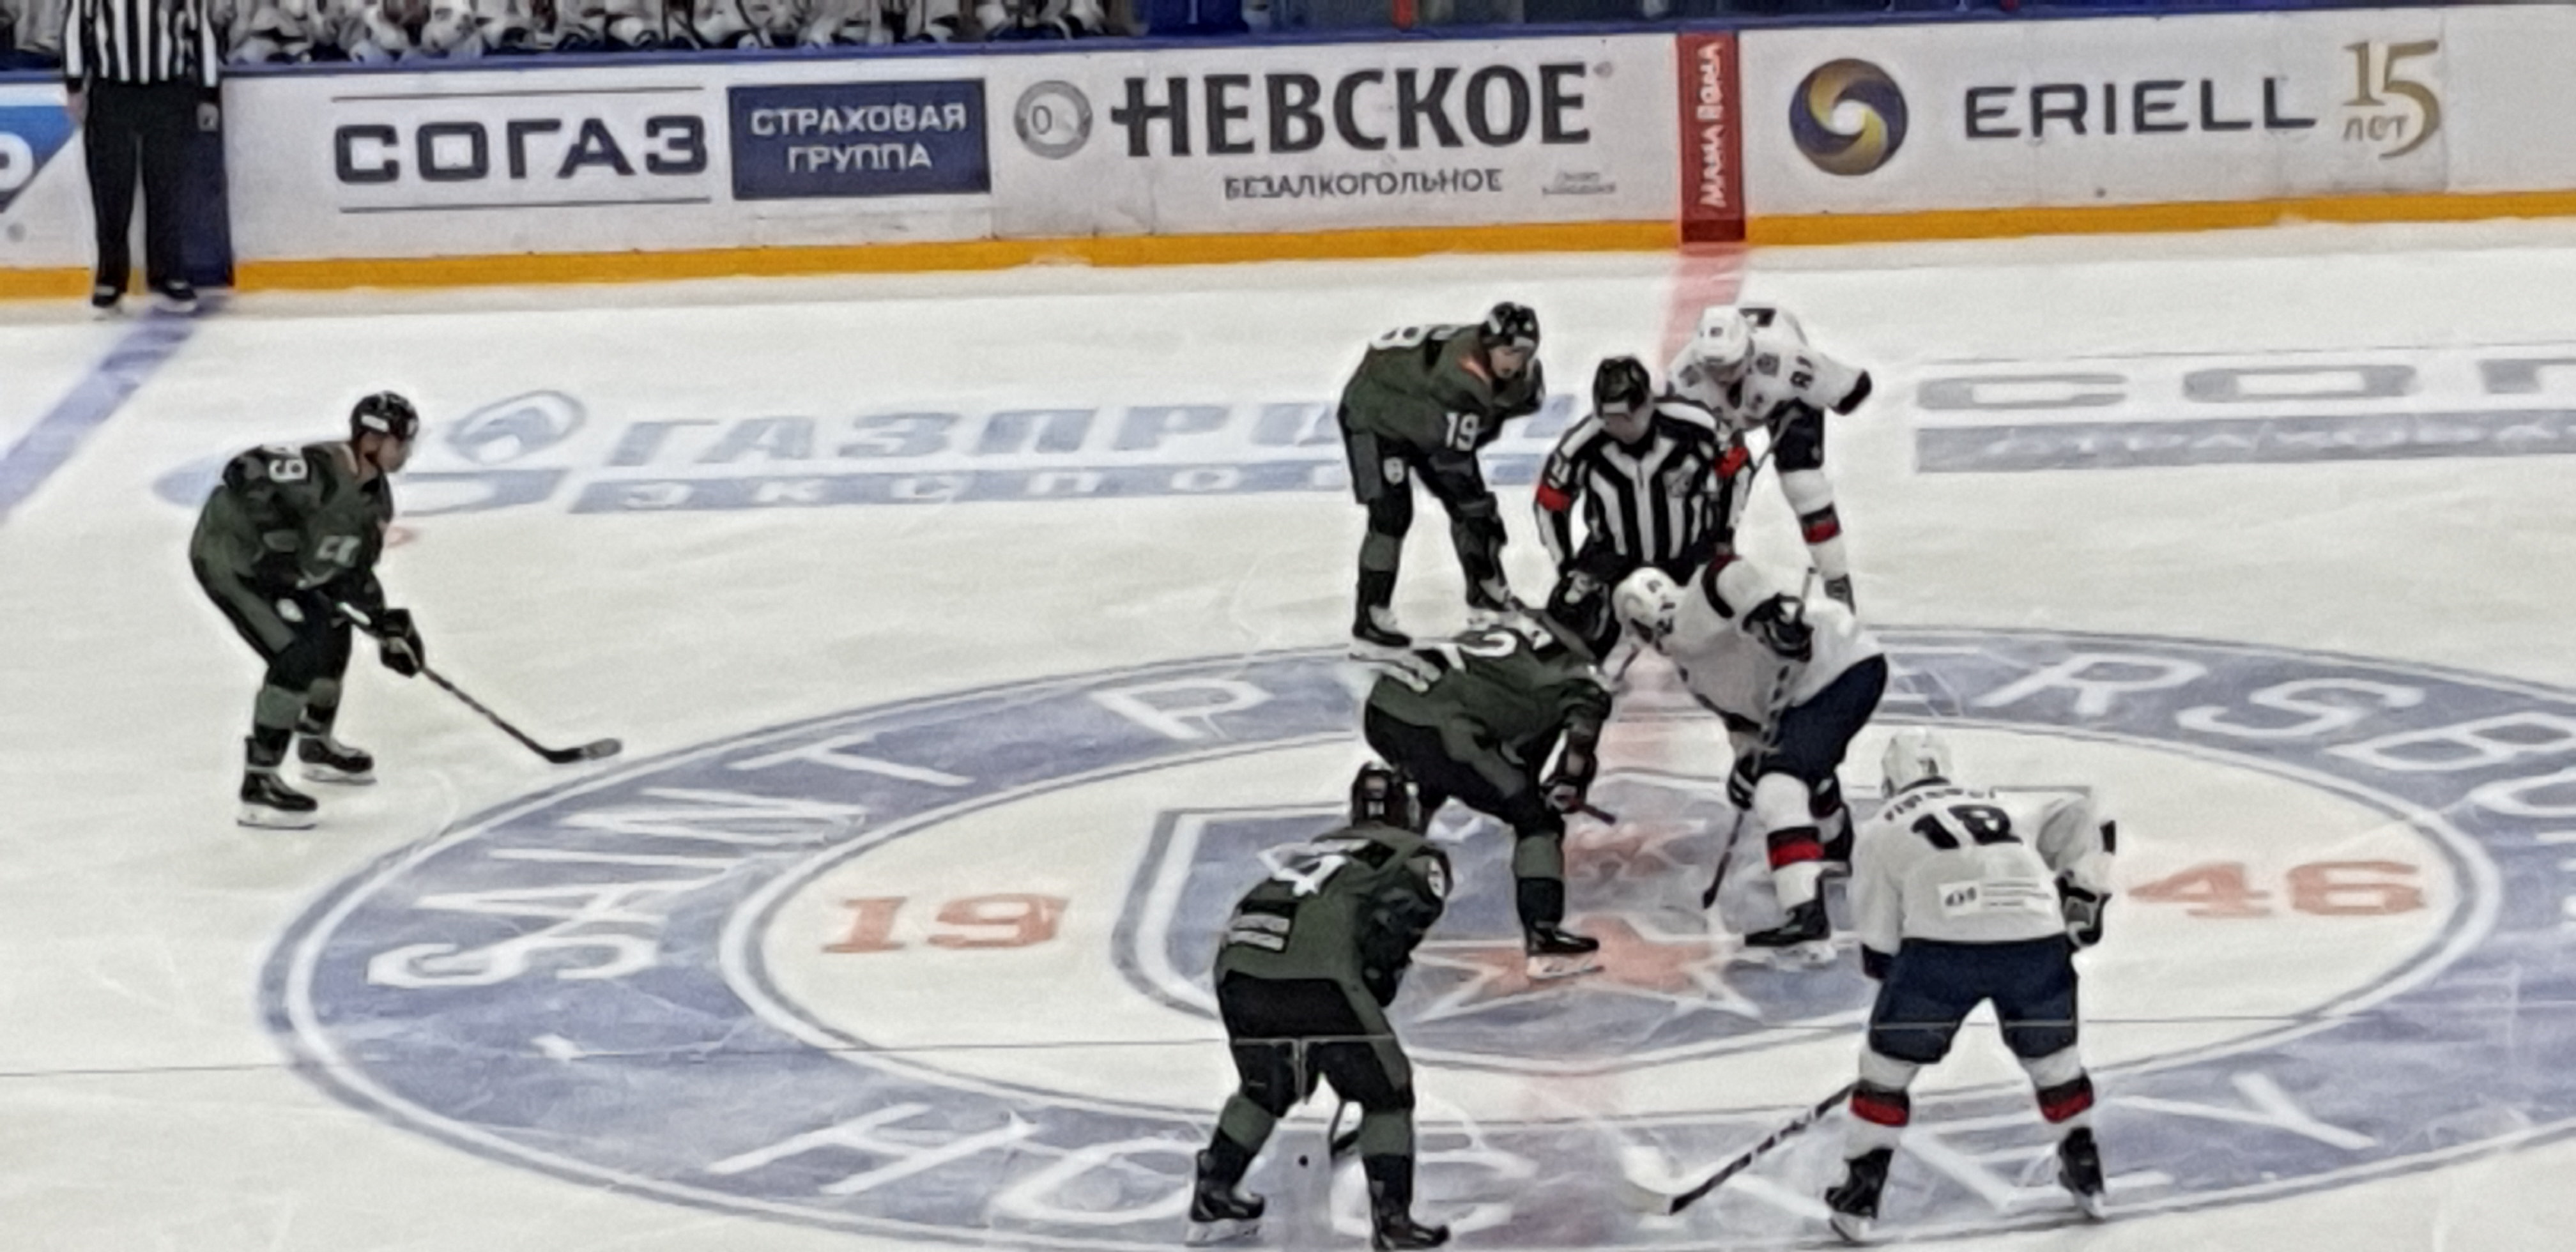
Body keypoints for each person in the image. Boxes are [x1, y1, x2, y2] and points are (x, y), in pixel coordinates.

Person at [1821, 727, 2117, 1241]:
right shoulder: (1999, 803)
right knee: (2056, 1064)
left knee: (1886, 1073)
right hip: (2037, 937)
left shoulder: (1880, 828)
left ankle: (1860, 1193)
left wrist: (1901, 1025)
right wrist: (2083, 897)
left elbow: (1879, 946)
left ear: (1889, 782)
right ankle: (2086, 1169)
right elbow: (2080, 810)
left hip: (1941, 950)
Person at [1190, 763, 1453, 1251]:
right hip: (1317, 972)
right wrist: (1377, 977)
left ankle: (1214, 1191)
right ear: (1407, 809)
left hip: (1240, 965)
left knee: (1265, 1087)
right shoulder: (1414, 851)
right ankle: (1392, 1221)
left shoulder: (1322, 844)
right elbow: (1402, 918)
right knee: (1388, 1092)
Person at [1612, 553, 1885, 959]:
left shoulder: (1687, 622)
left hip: (1839, 668)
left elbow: (1723, 571)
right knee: (1795, 764)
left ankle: (1805, 914)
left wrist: (1766, 612)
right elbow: (1746, 723)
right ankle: (1833, 846)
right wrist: (1746, 763)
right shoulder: (1692, 670)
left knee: (1779, 787)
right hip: (1828, 679)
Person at [188, 392, 427, 828]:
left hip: (283, 571)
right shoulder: (318, 468)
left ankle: (315, 744)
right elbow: (244, 469)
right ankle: (259, 783)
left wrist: (386, 625)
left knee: (334, 630)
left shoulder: (376, 500)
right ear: (371, 440)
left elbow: (351, 573)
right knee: (296, 653)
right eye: (400, 442)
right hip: (232, 561)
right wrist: (277, 541)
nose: (406, 452)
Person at [1357, 584, 1614, 979]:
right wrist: (1565, 785)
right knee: (1538, 822)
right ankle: (1544, 938)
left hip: (1384, 708)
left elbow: (1501, 711)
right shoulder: (1582, 676)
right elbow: (1574, 756)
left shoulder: (1511, 628)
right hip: (1446, 731)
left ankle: (1362, 900)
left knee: (1430, 785)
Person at [1337, 303, 1546, 652]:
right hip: (1373, 417)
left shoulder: (1512, 380)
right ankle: (1371, 614)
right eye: (1510, 352)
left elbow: (1474, 432)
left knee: (1473, 508)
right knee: (1392, 516)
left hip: (1426, 412)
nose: (1517, 362)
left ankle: (1486, 592)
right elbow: (1455, 456)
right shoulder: (1461, 379)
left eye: (1525, 352)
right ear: (1488, 347)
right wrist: (1473, 501)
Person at [1663, 304, 1872, 612]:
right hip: (1717, 424)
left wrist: (1804, 404)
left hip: (1785, 405)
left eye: (1730, 366)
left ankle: (1836, 579)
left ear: (1749, 352)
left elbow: (1854, 389)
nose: (1722, 377)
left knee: (1804, 484)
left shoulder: (1789, 360)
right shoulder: (1682, 379)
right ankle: (1714, 563)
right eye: (1713, 368)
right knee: (1703, 486)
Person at [1534, 355, 1746, 637]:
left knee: (1728, 618)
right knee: (1569, 614)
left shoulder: (1696, 427)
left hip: (1690, 556)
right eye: (1608, 418)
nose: (1617, 427)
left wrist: (1724, 536)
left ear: (1647, 404)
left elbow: (1737, 468)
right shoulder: (1580, 447)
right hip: (1613, 561)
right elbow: (1549, 503)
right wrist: (1567, 568)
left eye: (1625, 417)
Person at [61, 0, 222, 315]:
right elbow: (74, 29)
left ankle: (168, 274)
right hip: (112, 92)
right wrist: (74, 85)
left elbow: (201, 32)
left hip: (168, 92)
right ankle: (110, 278)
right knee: (111, 188)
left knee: (166, 185)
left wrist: (208, 93)